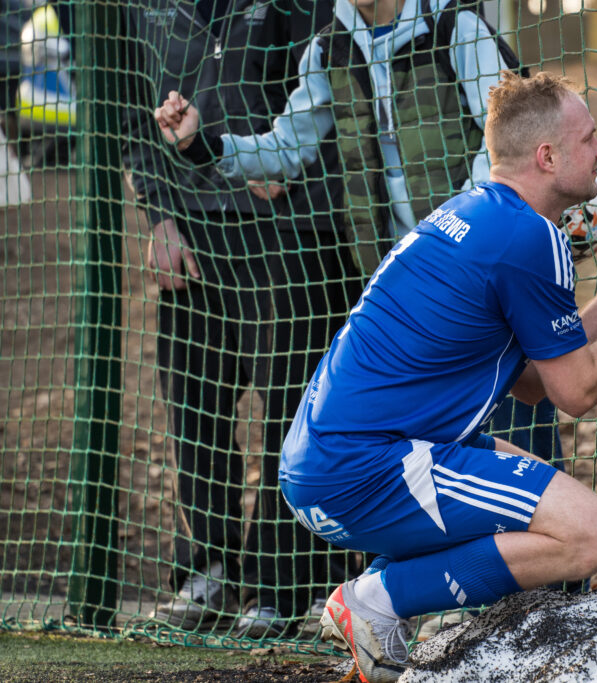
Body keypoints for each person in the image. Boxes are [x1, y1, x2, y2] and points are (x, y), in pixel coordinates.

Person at [159, 69, 597, 681]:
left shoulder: (473, 212)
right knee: (596, 532)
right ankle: (379, 599)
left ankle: (394, 606)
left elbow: (532, 381)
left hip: (328, 464)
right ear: (548, 157)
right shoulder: (530, 238)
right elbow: (576, 394)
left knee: (553, 506)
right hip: (365, 468)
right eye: (591, 138)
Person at [122, 0, 358, 638]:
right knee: (193, 404)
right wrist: (158, 214)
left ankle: (294, 580)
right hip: (191, 229)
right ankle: (210, 566)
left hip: (292, 230)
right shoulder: (147, 12)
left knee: (295, 407)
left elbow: (336, 93)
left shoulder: (304, 9)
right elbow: (132, 110)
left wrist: (287, 173)